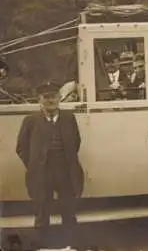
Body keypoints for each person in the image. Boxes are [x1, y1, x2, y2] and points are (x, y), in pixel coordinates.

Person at [16, 82, 84, 248]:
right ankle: (42, 246)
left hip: (65, 171)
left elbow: (76, 141)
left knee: (68, 211)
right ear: (39, 100)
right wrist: (34, 165)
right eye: (46, 97)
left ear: (60, 98)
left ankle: (70, 245)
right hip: (42, 173)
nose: (50, 100)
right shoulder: (30, 121)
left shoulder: (69, 118)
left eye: (53, 96)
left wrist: (66, 160)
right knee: (42, 212)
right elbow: (21, 148)